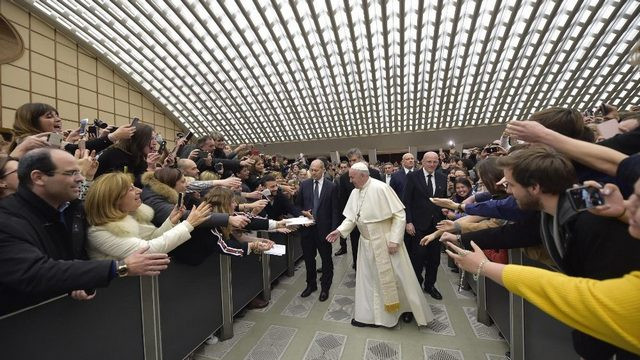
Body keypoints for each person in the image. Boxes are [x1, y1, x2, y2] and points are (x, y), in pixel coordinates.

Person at [446, 177, 640, 356]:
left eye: (511, 184)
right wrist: (623, 210)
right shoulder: (581, 204)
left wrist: (483, 267)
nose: (507, 192)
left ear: (535, 188)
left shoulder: (592, 227)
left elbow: (574, 294)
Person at [0, 148, 169, 315]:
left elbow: (72, 257)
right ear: (38, 177)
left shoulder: (71, 210)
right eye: (71, 173)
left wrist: (77, 281)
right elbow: (35, 272)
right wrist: (118, 267)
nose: (81, 178)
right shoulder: (7, 219)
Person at [326, 162, 433, 327]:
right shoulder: (355, 192)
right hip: (366, 243)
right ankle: (368, 316)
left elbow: (399, 215)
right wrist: (339, 231)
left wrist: (395, 240)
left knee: (397, 279)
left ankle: (405, 310)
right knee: (369, 280)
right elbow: (352, 218)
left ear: (363, 175)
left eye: (352, 177)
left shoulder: (381, 188)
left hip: (385, 241)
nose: (350, 180)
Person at [85, 173, 213, 260]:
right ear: (114, 198)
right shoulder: (99, 232)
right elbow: (148, 250)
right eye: (131, 189)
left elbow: (151, 239)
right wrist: (188, 224)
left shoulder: (129, 217)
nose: (139, 190)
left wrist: (170, 222)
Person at [402, 151, 447, 300]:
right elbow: (406, 201)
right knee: (418, 258)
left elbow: (443, 199)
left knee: (434, 259)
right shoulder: (413, 177)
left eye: (435, 162)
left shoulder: (442, 178)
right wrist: (408, 221)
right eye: (429, 162)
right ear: (422, 162)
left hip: (436, 226)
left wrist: (446, 210)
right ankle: (416, 285)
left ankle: (430, 285)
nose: (432, 164)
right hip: (418, 225)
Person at [295, 159, 339, 302]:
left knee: (326, 260)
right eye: (311, 170)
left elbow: (335, 210)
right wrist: (303, 215)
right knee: (309, 259)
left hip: (324, 230)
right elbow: (298, 206)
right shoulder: (305, 185)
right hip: (307, 230)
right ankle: (311, 284)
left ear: (323, 170)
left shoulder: (331, 186)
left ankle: (325, 287)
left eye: (316, 170)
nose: (313, 172)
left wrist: (334, 230)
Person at [336, 148, 383, 264]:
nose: (352, 163)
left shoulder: (375, 174)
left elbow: (381, 198)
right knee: (356, 248)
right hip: (355, 221)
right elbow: (343, 201)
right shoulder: (344, 178)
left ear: (361, 159)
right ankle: (358, 270)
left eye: (354, 160)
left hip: (374, 220)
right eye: (350, 161)